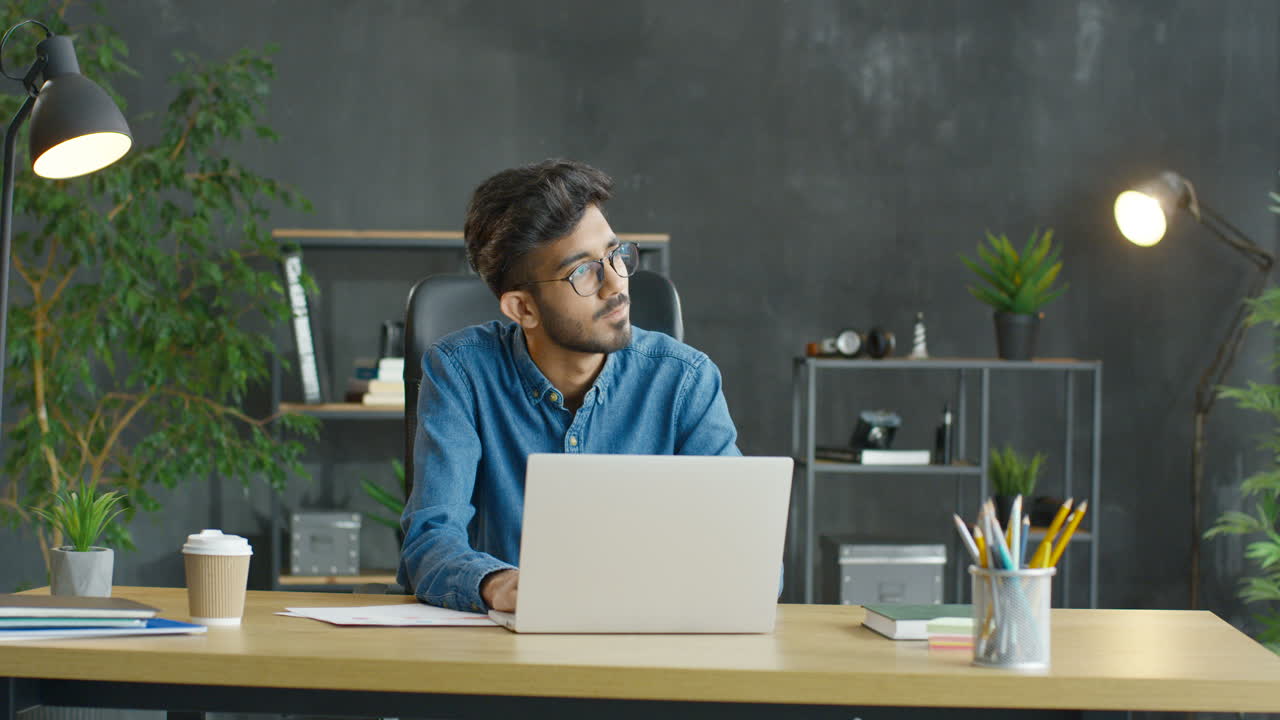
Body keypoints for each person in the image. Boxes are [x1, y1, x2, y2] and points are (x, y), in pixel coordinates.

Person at [397, 159, 741, 613]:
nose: (616, 284)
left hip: (647, 633)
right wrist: (498, 585)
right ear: (523, 309)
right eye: (582, 272)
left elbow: (745, 550)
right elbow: (430, 540)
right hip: (503, 638)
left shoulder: (685, 379)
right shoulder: (462, 372)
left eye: (616, 255)